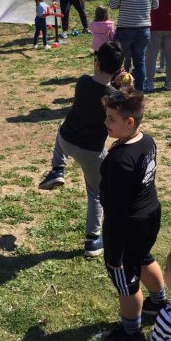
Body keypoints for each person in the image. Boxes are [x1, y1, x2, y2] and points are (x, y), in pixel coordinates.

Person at [38, 41, 128, 257]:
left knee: (61, 127)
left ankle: (58, 169)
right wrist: (122, 87)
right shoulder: (113, 96)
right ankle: (93, 240)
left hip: (68, 140)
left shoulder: (83, 82)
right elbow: (117, 101)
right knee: (95, 193)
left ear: (96, 62)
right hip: (91, 151)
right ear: (119, 69)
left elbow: (96, 90)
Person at [100, 87, 167, 341]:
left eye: (111, 119)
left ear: (130, 122)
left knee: (126, 281)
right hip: (150, 214)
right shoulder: (147, 140)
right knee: (143, 257)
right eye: (106, 117)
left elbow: (116, 214)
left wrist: (114, 254)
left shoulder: (119, 161)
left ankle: (132, 333)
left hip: (128, 226)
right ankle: (159, 302)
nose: (106, 123)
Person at [109, 0, 159, 92]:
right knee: (140, 61)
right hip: (143, 28)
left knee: (117, 59)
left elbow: (113, 5)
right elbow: (155, 5)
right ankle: (139, 90)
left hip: (125, 28)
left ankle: (117, 89)